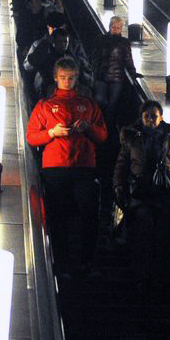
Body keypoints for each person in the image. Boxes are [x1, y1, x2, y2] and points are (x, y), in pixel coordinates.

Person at [27, 58, 108, 278]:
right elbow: (31, 137)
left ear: (77, 77)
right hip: (55, 167)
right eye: (63, 77)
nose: (67, 81)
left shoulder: (88, 104)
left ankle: (86, 263)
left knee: (89, 215)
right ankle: (62, 265)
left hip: (84, 167)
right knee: (58, 217)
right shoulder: (44, 105)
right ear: (55, 77)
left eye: (71, 78)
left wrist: (88, 127)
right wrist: (52, 133)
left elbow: (103, 135)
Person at [113, 100, 170, 283]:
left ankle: (158, 275)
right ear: (141, 118)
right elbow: (122, 164)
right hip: (140, 193)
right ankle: (142, 274)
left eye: (154, 116)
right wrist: (118, 185)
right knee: (144, 229)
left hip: (166, 194)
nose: (150, 119)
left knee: (162, 234)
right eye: (146, 116)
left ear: (161, 117)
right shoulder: (131, 139)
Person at [92, 15, 139, 131]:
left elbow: (128, 59)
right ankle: (101, 124)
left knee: (113, 105)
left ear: (121, 29)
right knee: (100, 100)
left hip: (117, 78)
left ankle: (108, 128)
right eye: (114, 26)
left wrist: (133, 72)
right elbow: (95, 56)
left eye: (118, 27)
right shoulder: (100, 39)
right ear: (109, 26)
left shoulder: (124, 43)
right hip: (102, 76)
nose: (116, 29)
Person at [23, 21, 92, 97]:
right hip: (49, 85)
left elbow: (84, 68)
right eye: (59, 42)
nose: (63, 44)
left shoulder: (74, 47)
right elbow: (28, 65)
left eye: (65, 42)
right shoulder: (41, 46)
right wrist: (44, 46)